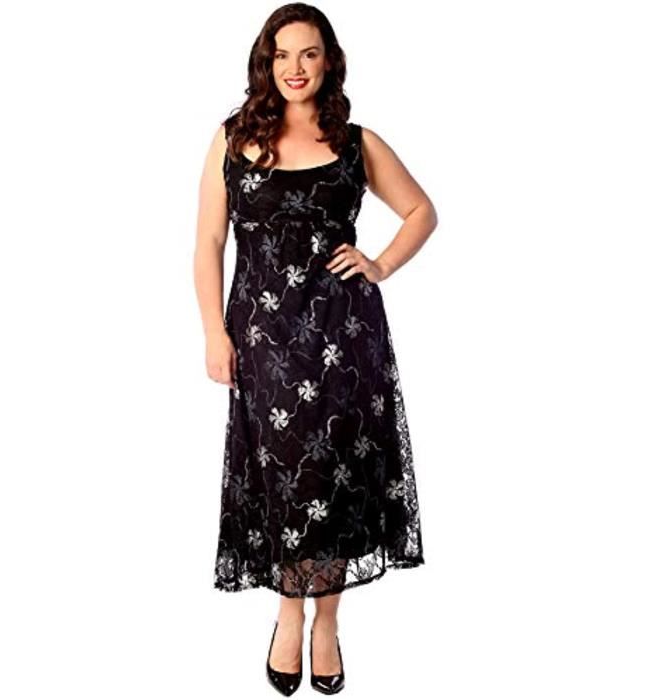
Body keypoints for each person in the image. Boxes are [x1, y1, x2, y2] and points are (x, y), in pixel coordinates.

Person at [193, 3, 438, 695]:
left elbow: (421, 211)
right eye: (281, 55)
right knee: (285, 476)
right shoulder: (233, 138)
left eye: (308, 53)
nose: (294, 68)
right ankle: (287, 610)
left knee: (334, 474)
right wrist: (213, 330)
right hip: (264, 340)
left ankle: (324, 621)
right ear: (265, 63)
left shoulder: (357, 142)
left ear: (329, 61)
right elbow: (209, 241)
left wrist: (379, 264)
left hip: (343, 334)